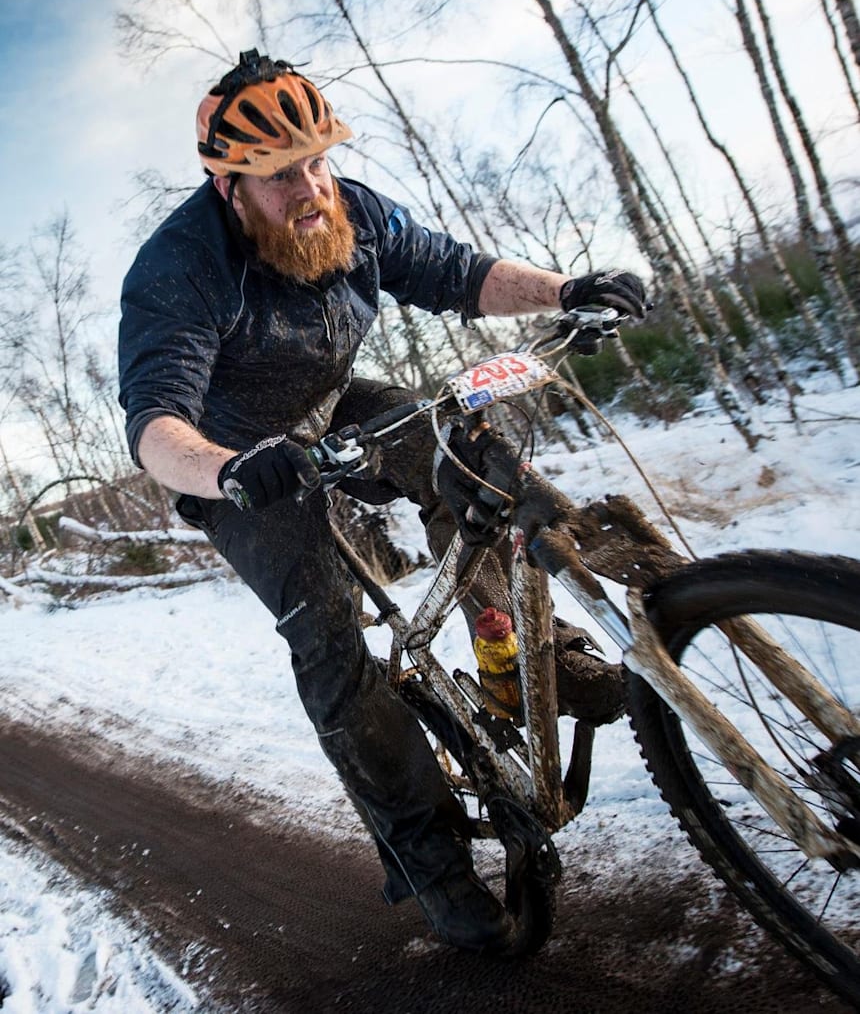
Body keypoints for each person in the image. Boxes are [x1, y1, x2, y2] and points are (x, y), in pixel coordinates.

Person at [118, 49, 649, 954]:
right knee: (325, 629)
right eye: (281, 176)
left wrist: (567, 289)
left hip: (333, 404)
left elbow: (456, 272)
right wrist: (233, 467)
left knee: (476, 466)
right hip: (240, 460)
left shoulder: (352, 210)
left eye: (318, 161)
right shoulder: (179, 267)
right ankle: (431, 858)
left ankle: (521, 656)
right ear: (228, 184)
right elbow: (156, 424)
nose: (311, 187)